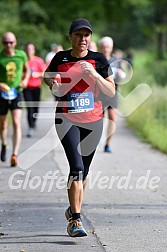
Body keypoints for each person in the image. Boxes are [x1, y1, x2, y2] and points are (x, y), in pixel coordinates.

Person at [44, 18, 115, 237]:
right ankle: (75, 220)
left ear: (90, 38)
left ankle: (72, 209)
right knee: (76, 168)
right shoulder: (60, 58)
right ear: (71, 37)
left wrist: (94, 75)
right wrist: (52, 83)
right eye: (78, 35)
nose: (82, 39)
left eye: (86, 35)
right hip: (66, 119)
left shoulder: (99, 59)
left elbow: (111, 91)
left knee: (83, 173)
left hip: (93, 122)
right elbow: (47, 75)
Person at [0, 32, 30, 166]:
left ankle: (15, 154)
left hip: (17, 92)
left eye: (11, 42)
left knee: (17, 122)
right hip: (2, 94)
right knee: (3, 124)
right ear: (2, 43)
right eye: (6, 42)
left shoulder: (21, 55)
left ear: (15, 42)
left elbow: (27, 70)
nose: (9, 45)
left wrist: (25, 80)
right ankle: (4, 145)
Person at [99, 36, 126, 153]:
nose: (106, 49)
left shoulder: (117, 61)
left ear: (111, 48)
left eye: (108, 47)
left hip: (112, 93)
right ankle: (96, 139)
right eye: (104, 47)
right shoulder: (97, 59)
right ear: (101, 47)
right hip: (98, 93)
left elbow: (123, 78)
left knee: (112, 118)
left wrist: (121, 74)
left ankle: (107, 144)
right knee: (98, 119)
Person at [23, 43, 46, 137]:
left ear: (34, 50)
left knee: (36, 108)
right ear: (25, 50)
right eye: (27, 49)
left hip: (36, 87)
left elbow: (45, 73)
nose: (29, 51)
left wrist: (37, 74)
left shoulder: (38, 61)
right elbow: (18, 74)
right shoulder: (23, 61)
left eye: (31, 49)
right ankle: (30, 127)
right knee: (29, 108)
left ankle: (34, 122)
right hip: (27, 88)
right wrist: (26, 75)